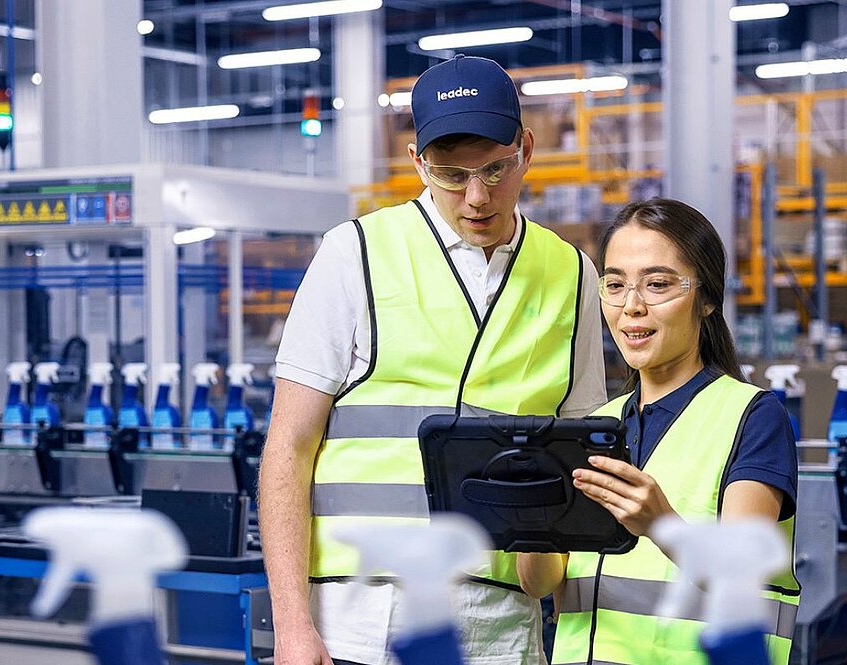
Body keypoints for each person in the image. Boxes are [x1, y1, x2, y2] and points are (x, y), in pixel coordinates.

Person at [260, 55, 608, 665]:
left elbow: (575, 463)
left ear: (526, 148)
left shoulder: (572, 274)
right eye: (451, 175)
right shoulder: (356, 253)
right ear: (418, 163)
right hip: (359, 619)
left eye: (496, 169)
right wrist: (292, 625)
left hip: (499, 623)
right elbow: (288, 446)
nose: (477, 196)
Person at [517, 198, 801, 664]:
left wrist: (660, 525)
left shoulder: (751, 416)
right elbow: (540, 583)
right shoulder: (592, 428)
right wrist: (532, 520)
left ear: (707, 298)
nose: (631, 307)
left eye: (657, 285)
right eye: (615, 285)